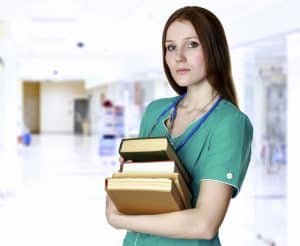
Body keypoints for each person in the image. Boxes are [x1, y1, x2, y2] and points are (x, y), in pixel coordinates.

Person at [106, 6, 253, 246]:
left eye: (192, 44)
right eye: (171, 47)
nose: (179, 57)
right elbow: (126, 191)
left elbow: (204, 224)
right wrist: (126, 179)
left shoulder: (230, 123)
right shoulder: (155, 112)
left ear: (214, 49)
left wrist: (119, 219)